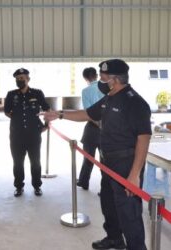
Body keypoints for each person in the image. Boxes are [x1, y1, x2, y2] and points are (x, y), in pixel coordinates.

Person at [41, 59, 150, 250]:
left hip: (126, 165)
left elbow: (144, 138)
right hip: (107, 162)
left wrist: (134, 175)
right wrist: (59, 114)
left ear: (114, 80)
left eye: (103, 77)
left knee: (129, 212)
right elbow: (88, 114)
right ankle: (115, 238)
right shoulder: (110, 98)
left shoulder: (135, 102)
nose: (100, 80)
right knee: (109, 204)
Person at [4, 68, 50, 197]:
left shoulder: (37, 93)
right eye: (18, 79)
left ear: (28, 79)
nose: (20, 80)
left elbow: (47, 108)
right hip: (16, 135)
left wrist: (47, 124)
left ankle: (37, 186)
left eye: (22, 78)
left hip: (34, 134)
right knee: (18, 162)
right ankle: (19, 187)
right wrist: (17, 118)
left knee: (35, 162)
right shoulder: (11, 94)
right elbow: (7, 111)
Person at [77, 67, 104, 190]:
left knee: (88, 157)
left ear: (85, 78)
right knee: (105, 161)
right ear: (97, 75)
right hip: (107, 128)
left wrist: (97, 123)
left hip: (92, 129)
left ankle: (83, 182)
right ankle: (106, 188)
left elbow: (88, 112)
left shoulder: (86, 91)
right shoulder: (107, 88)